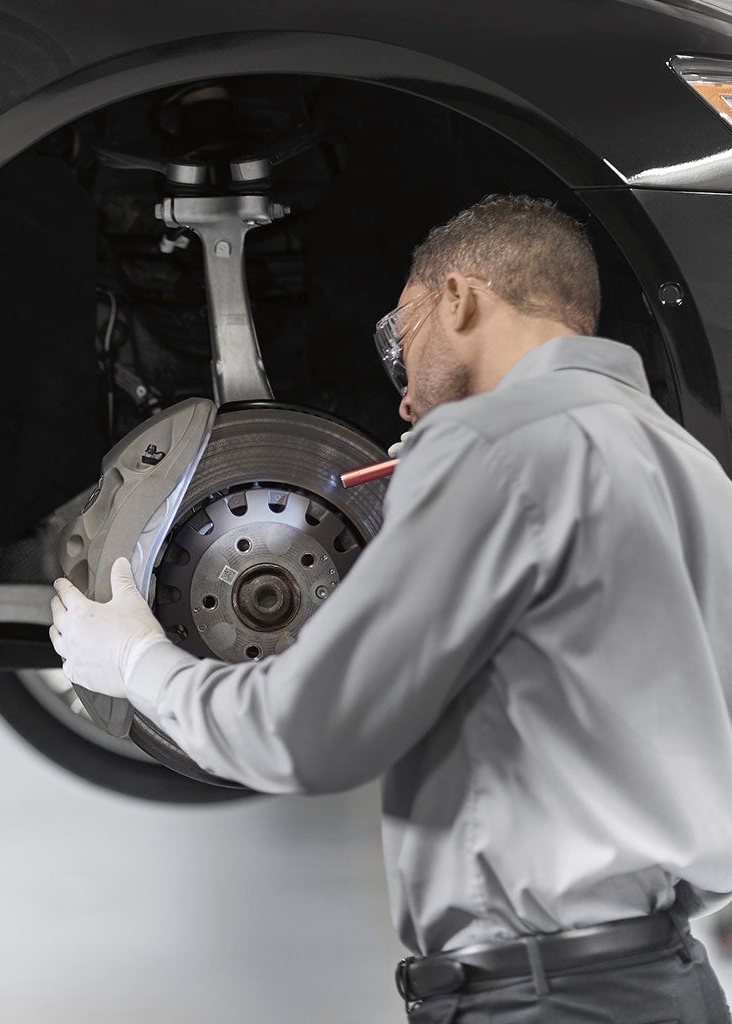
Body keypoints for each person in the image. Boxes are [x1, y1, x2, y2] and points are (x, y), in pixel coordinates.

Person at [49, 194, 732, 1022]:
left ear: (460, 298)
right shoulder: (688, 468)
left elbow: (305, 735)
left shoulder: (495, 445)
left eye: (401, 339)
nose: (403, 400)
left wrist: (131, 661)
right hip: (664, 979)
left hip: (548, 997)